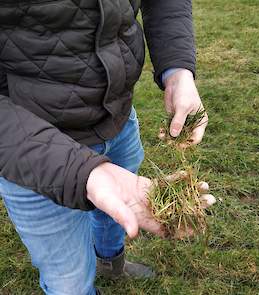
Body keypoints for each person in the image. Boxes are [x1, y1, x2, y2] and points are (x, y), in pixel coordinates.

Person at [0, 0, 214, 294]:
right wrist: (82, 174)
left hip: (118, 118)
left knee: (115, 215)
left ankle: (111, 263)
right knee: (69, 281)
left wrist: (177, 69)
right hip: (30, 149)